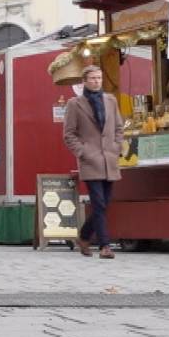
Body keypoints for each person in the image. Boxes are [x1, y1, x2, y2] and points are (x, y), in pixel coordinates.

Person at [62, 65, 123, 260]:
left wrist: (116, 147)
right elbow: (69, 133)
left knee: (104, 203)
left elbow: (119, 128)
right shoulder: (75, 104)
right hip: (90, 160)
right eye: (93, 78)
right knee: (98, 203)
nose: (97, 81)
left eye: (99, 78)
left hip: (109, 159)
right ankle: (105, 246)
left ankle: (84, 236)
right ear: (85, 81)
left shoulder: (111, 101)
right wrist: (82, 152)